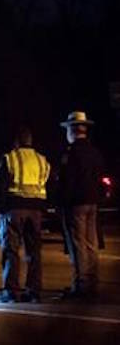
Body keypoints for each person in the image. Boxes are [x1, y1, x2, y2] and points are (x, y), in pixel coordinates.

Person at [0, 127, 50, 303]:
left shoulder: (10, 158)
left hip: (14, 209)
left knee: (11, 250)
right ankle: (34, 291)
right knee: (34, 252)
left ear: (17, 142)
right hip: (36, 211)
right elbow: (48, 185)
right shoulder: (42, 160)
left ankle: (11, 291)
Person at [57, 111, 104, 299]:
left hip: (76, 203)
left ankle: (80, 285)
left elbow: (67, 181)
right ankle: (92, 282)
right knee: (91, 243)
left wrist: (62, 203)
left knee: (78, 244)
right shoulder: (94, 152)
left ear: (73, 130)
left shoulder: (71, 153)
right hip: (93, 202)